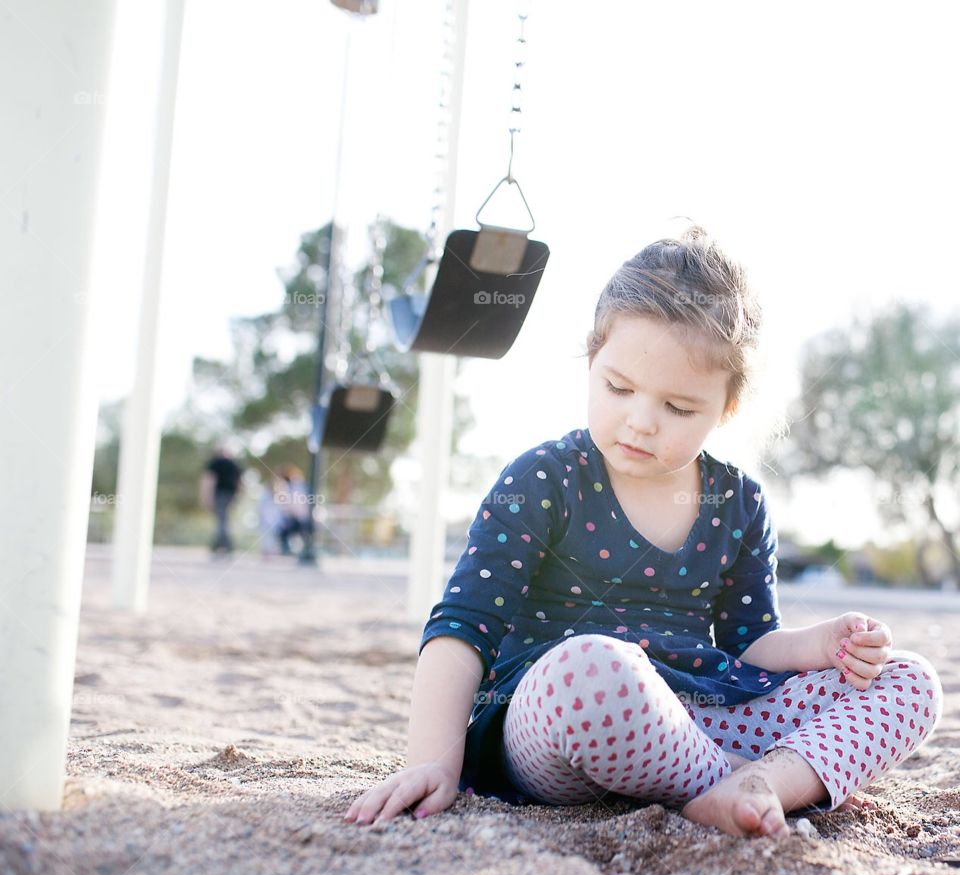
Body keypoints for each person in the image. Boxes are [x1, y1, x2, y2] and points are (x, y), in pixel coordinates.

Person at [342, 225, 945, 838]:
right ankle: (735, 782)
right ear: (591, 357)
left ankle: (758, 783)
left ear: (726, 407)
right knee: (591, 667)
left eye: (678, 409)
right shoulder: (545, 479)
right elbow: (463, 627)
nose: (640, 421)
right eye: (618, 387)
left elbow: (750, 640)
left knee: (909, 681)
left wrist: (822, 646)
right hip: (565, 718)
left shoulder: (736, 501)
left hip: (703, 716)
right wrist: (431, 762)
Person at [201, 445, 243, 554]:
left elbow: (209, 480)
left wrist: (206, 496)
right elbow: (240, 483)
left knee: (222, 520)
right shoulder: (235, 464)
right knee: (223, 519)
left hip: (220, 494)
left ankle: (225, 545)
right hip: (230, 495)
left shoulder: (215, 463)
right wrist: (239, 496)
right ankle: (219, 544)